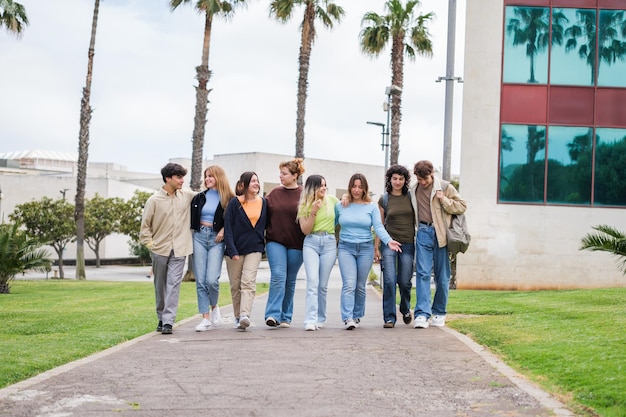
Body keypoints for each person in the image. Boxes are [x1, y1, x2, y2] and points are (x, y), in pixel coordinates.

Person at [336, 173, 402, 330]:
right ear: (350, 187)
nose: (357, 190)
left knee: (360, 285)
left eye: (360, 187)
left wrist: (388, 241)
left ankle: (357, 315)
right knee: (349, 284)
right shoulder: (341, 205)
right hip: (346, 247)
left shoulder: (371, 206)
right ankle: (348, 318)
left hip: (365, 248)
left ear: (365, 188)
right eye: (354, 186)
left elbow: (378, 226)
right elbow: (331, 224)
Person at [409, 160, 466, 329]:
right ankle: (421, 314)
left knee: (442, 276)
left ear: (432, 173)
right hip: (423, 233)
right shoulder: (413, 190)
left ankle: (439, 312)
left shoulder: (446, 187)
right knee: (422, 273)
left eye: (425, 179)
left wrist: (445, 200)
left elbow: (462, 206)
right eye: (419, 179)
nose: (422, 182)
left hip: (441, 234)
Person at [140, 162, 196, 335]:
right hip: (160, 250)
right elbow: (145, 229)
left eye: (182, 177)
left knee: (173, 285)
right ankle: (161, 317)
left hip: (180, 249)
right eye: (179, 177)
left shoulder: (187, 195)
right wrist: (152, 246)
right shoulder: (154, 200)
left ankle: (168, 322)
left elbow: (208, 196)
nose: (182, 181)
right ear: (168, 178)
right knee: (160, 286)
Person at [190, 165, 235, 331]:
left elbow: (232, 220)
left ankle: (215, 306)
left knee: (211, 280)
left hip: (217, 239)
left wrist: (223, 230)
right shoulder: (199, 197)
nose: (207, 179)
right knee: (200, 280)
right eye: (206, 176)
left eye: (211, 176)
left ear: (219, 177)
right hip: (200, 237)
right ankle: (205, 317)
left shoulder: (229, 198)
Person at [264, 159, 306, 328]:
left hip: (297, 244)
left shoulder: (304, 194)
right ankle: (272, 315)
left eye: (284, 173)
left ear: (295, 176)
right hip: (275, 241)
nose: (280, 176)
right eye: (280, 173)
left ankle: (286, 317)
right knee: (278, 276)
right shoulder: (274, 193)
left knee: (289, 280)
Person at [224, 171, 267, 330]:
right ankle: (237, 316)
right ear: (244, 184)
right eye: (253, 181)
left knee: (248, 281)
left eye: (257, 180)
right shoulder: (235, 203)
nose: (256, 183)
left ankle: (244, 315)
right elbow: (228, 227)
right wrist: (232, 249)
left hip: (254, 248)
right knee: (236, 285)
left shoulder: (264, 202)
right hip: (234, 249)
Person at [375, 165, 416, 328]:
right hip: (389, 244)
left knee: (404, 281)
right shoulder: (384, 200)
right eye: (394, 178)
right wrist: (376, 248)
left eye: (401, 178)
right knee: (390, 280)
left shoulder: (410, 197)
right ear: (389, 180)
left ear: (405, 180)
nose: (397, 182)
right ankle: (389, 318)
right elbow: (379, 225)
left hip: (407, 243)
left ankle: (405, 308)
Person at [297, 175, 338, 331]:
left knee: (322, 285)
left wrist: (346, 197)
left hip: (329, 242)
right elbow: (305, 230)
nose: (324, 188)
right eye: (321, 185)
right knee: (312, 282)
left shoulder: (332, 201)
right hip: (311, 243)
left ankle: (321, 318)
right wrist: (313, 211)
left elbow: (342, 215)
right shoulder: (304, 205)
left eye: (325, 185)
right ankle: (310, 319)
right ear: (312, 187)